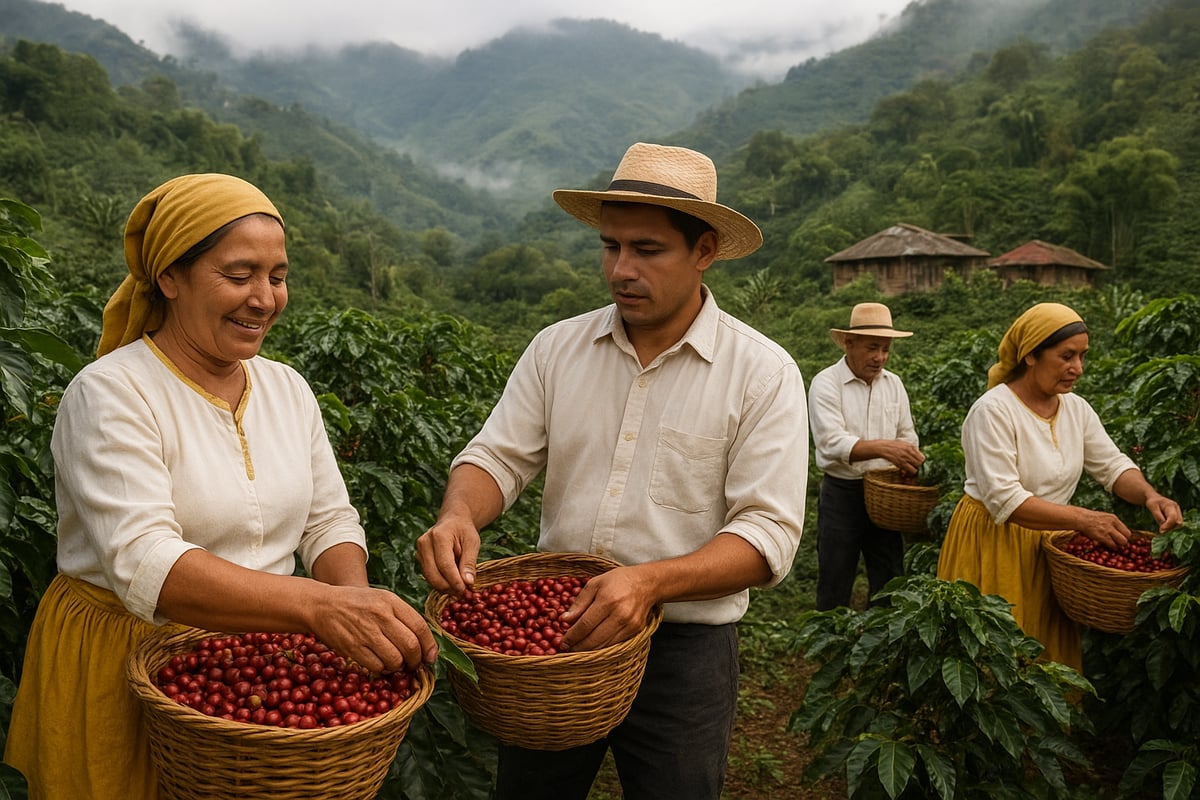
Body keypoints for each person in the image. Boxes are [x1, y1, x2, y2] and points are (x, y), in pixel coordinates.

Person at [4, 173, 437, 799]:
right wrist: (319, 608)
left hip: (261, 655)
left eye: (278, 277)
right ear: (169, 279)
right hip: (125, 658)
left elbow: (327, 520)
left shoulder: (287, 387)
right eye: (238, 276)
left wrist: (352, 605)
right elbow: (146, 563)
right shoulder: (112, 393)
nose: (263, 299)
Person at [416, 142, 808, 800]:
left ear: (704, 250)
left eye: (647, 250)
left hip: (684, 655)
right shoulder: (558, 348)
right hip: (558, 635)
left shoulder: (761, 373)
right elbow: (497, 457)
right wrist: (459, 515)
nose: (620, 269)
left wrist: (651, 583)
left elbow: (769, 533)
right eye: (610, 246)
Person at [936, 302, 1183, 670]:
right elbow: (1005, 499)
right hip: (995, 538)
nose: (1077, 368)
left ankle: (1048, 727)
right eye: (1066, 356)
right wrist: (1083, 519)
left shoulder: (1076, 409)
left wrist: (1150, 494)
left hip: (1054, 544)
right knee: (996, 647)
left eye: (1082, 356)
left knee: (1046, 643)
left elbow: (1112, 465)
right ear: (1031, 355)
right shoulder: (992, 411)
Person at [808, 302, 924, 611]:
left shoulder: (893, 384)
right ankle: (832, 645)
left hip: (885, 493)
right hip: (841, 494)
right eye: (873, 348)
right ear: (849, 343)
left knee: (889, 575)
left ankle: (883, 647)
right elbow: (831, 443)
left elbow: (906, 433)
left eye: (886, 349)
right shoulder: (826, 383)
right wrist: (884, 448)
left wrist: (907, 458)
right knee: (835, 574)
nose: (880, 358)